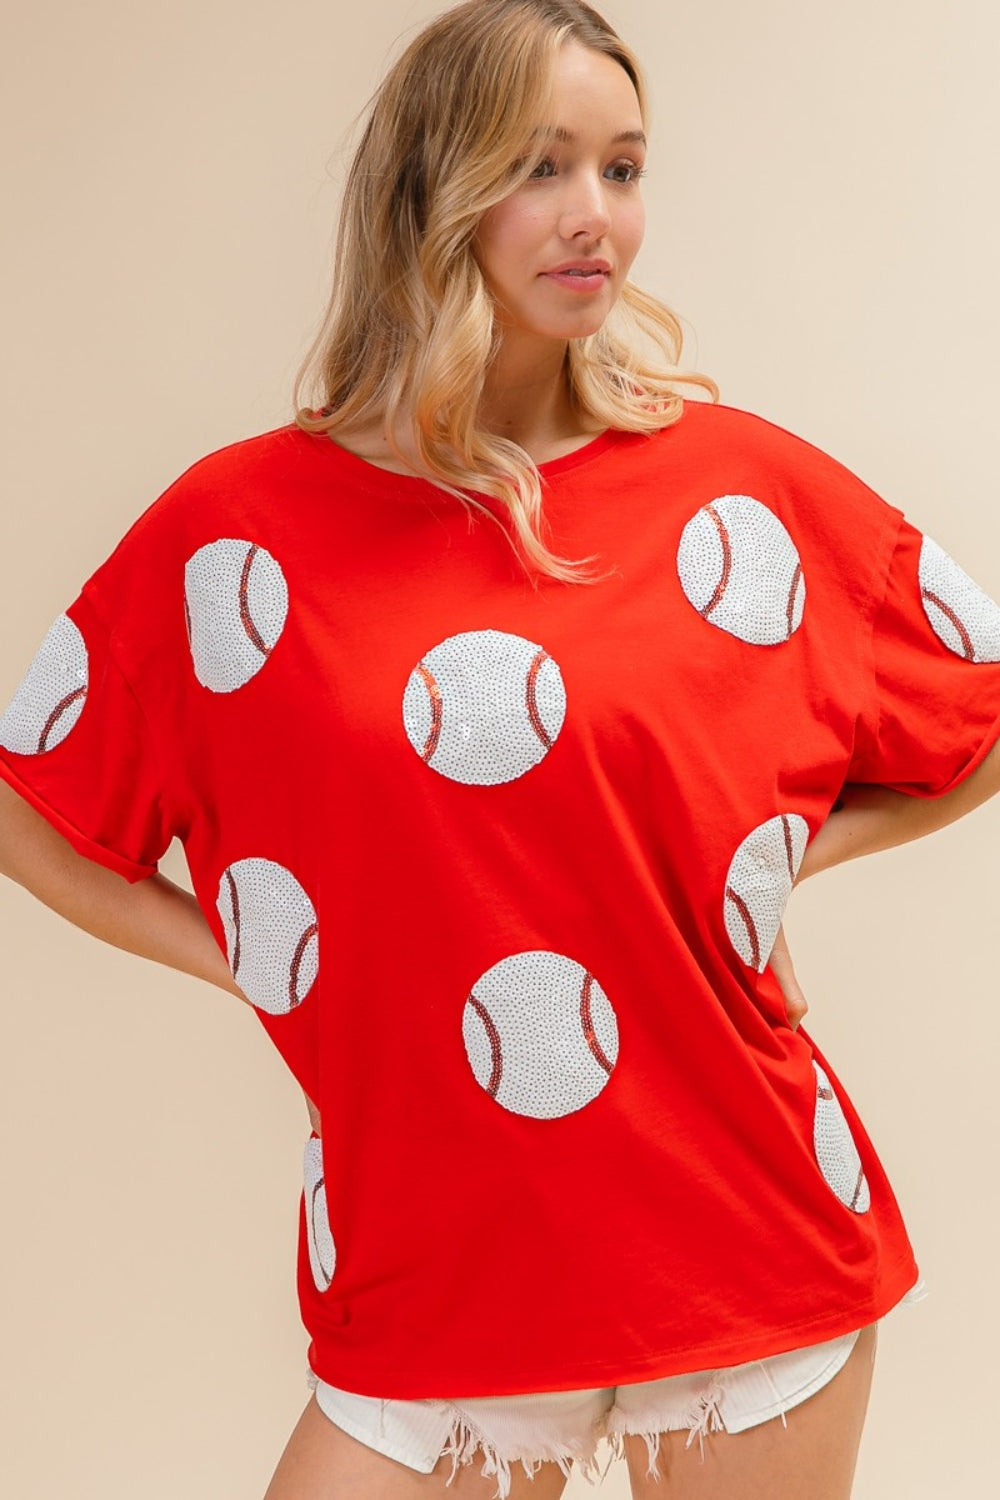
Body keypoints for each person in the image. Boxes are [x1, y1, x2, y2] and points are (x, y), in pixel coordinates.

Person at [1, 2, 998, 1497]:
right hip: (432, 1270)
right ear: (432, 190)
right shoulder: (238, 536)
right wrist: (261, 950)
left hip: (742, 1239)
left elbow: (973, 702)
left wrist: (784, 854)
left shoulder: (738, 490)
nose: (597, 219)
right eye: (543, 167)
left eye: (624, 166)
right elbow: (34, 800)